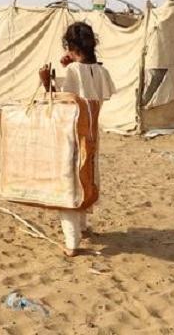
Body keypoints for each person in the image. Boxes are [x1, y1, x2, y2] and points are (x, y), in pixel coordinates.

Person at [38, 22, 116, 257]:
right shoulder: (101, 71)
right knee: (86, 178)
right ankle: (82, 227)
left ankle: (72, 243)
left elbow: (63, 101)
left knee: (70, 184)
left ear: (71, 46)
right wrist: (70, 64)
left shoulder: (74, 72)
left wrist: (46, 82)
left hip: (73, 136)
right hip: (92, 135)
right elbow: (90, 93)